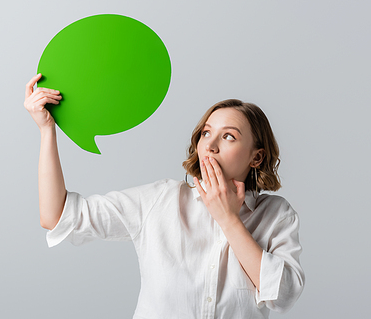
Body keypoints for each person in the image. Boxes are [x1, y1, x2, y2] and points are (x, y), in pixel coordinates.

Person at [24, 74, 305, 319]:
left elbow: (282, 296)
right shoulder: (161, 200)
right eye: (206, 133)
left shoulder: (277, 215)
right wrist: (47, 130)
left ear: (256, 157)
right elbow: (57, 217)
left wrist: (228, 219)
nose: (211, 146)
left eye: (229, 136)